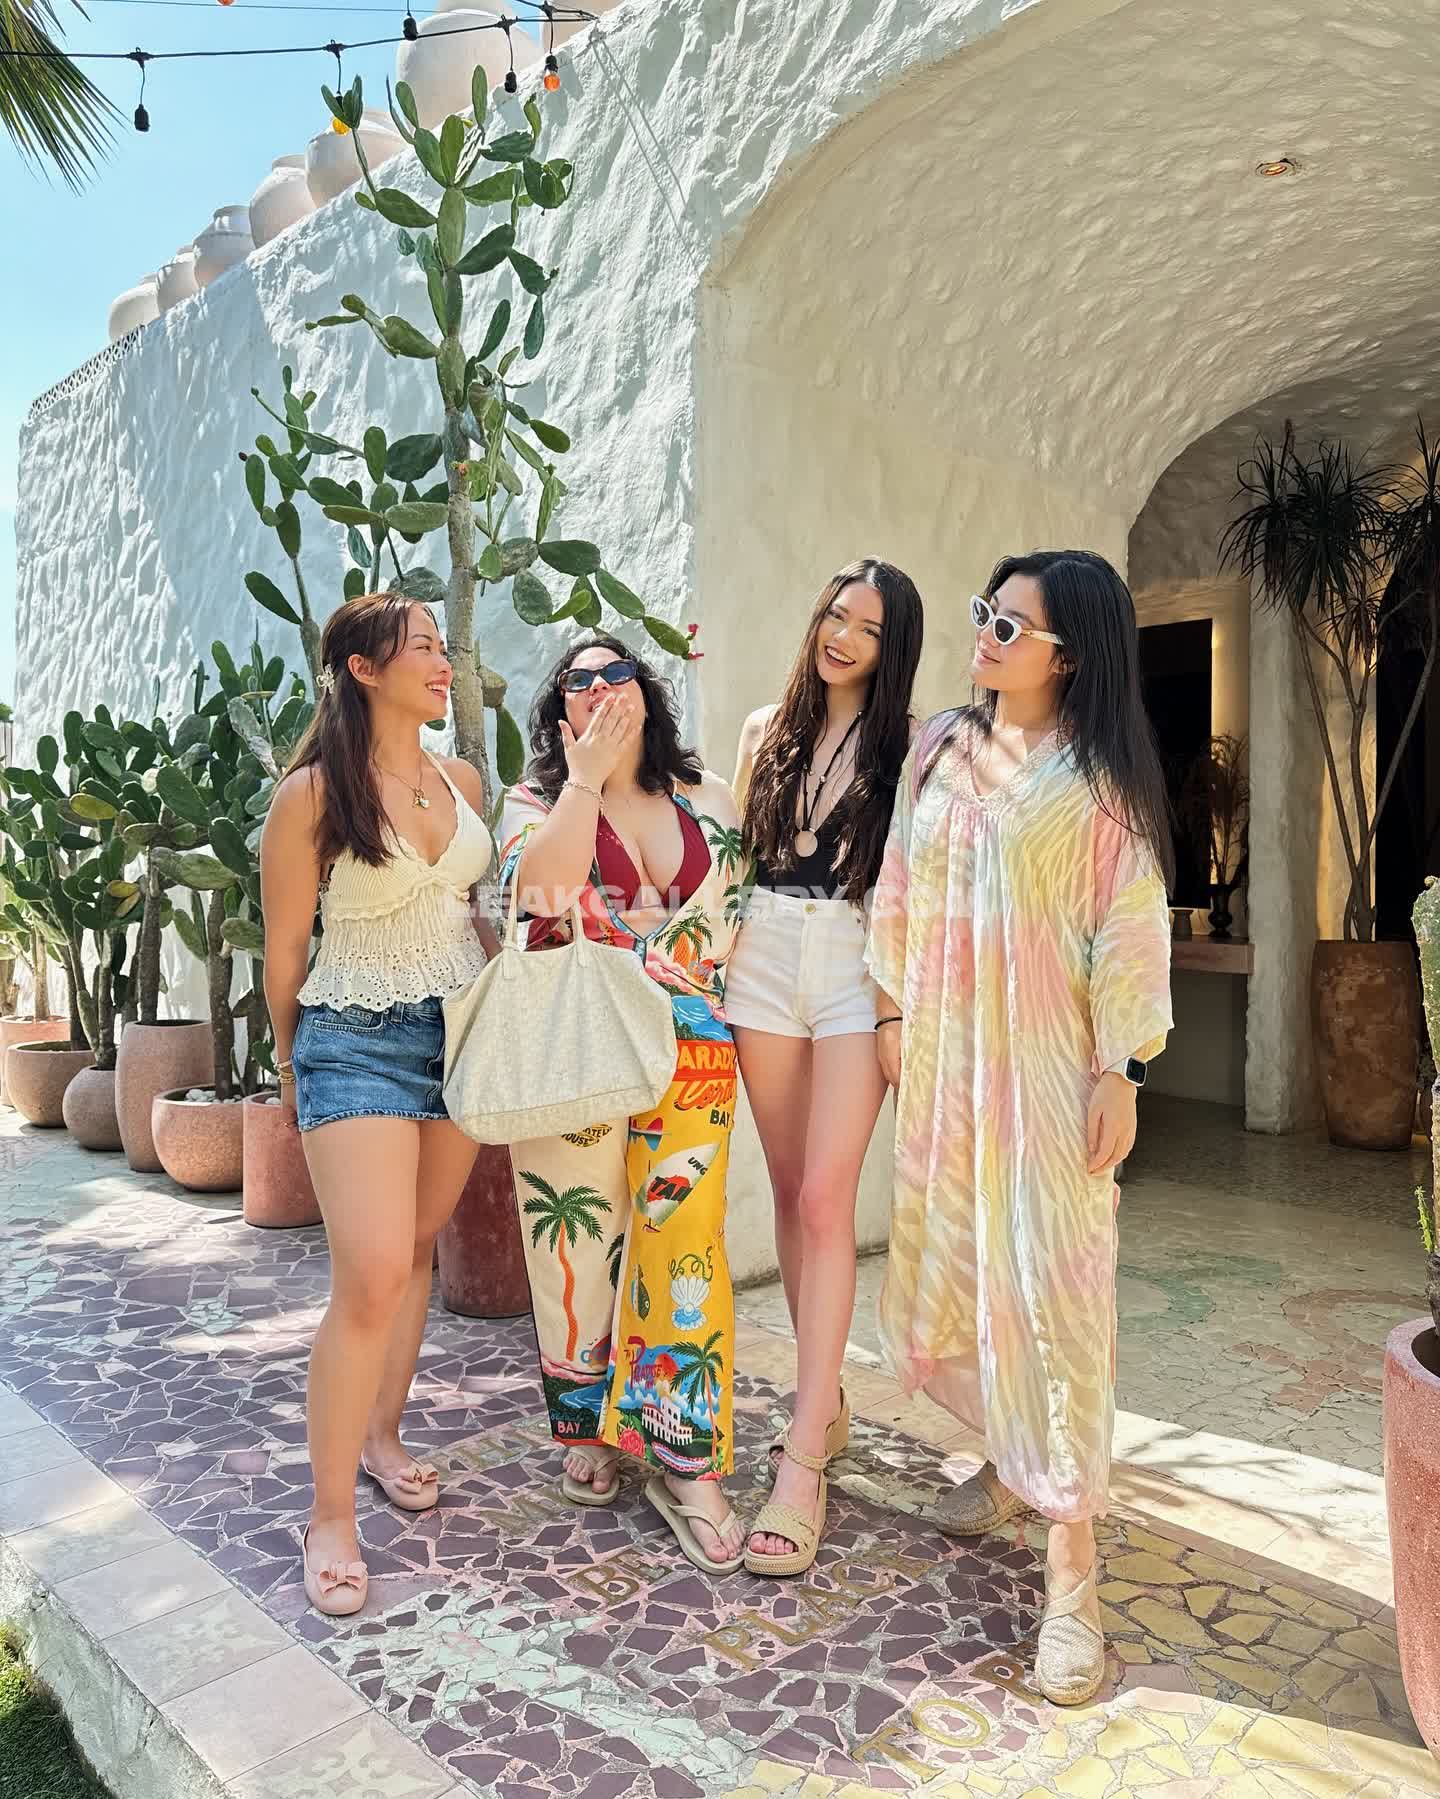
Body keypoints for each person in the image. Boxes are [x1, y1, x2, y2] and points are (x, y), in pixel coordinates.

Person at [866, 550, 1173, 1705]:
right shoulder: (942, 747)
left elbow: (1127, 924)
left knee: (1058, 1298)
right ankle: (1008, 1461)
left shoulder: (1100, 782)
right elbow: (900, 882)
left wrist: (1121, 1067)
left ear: (1070, 654)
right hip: (951, 1070)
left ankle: (1072, 1572)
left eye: (1012, 625)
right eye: (985, 615)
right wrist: (891, 1010)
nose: (986, 635)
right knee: (967, 1267)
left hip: (1047, 1077)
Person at [260, 594, 497, 1617]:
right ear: (364, 668)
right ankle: (329, 1517)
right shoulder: (311, 794)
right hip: (352, 1038)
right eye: (425, 648)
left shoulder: (463, 779)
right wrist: (290, 1066)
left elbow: (472, 913)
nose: (445, 663)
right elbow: (284, 951)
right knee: (368, 1275)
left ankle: (383, 1434)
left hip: (459, 1037)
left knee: (416, 1245)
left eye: (444, 646)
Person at [499, 633, 748, 1575]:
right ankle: (586, 1426)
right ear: (559, 707)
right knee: (575, 1241)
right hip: (576, 1046)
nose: (602, 688)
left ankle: (686, 1461)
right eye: (580, 679)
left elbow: (735, 928)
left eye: (618, 673)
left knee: (687, 1244)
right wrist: (583, 781)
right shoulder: (534, 800)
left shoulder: (709, 798)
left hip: (694, 1051)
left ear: (647, 691)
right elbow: (539, 896)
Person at [726, 558, 924, 1577]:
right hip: (763, 953)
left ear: (894, 650)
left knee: (825, 1197)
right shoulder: (767, 729)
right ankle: (825, 1402)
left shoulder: (911, 748)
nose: (843, 635)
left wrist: (895, 1004)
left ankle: (802, 1458)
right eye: (837, 614)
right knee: (788, 1183)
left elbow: (910, 885)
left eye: (870, 628)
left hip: (854, 961)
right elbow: (736, 864)